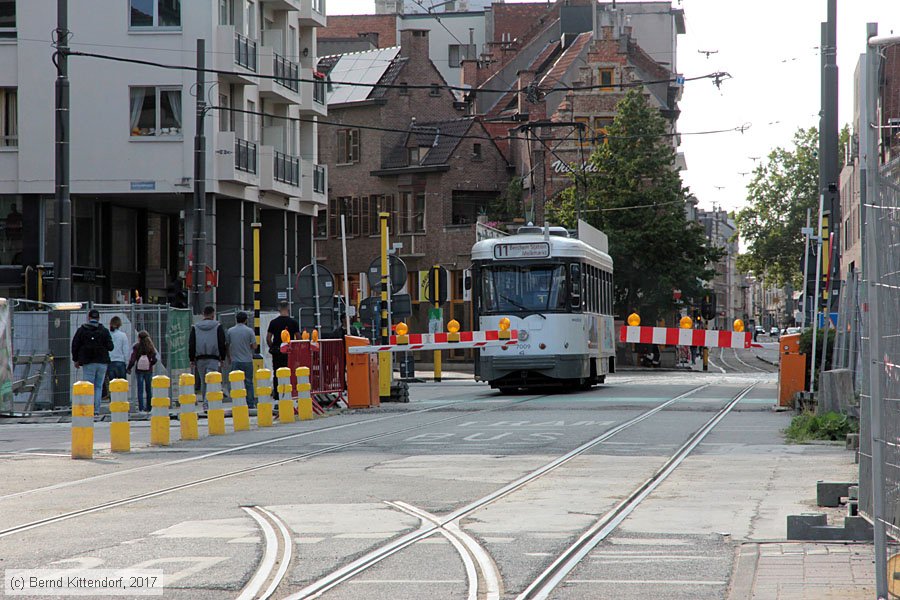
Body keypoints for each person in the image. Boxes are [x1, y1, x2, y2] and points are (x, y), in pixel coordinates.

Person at [71, 308, 114, 416]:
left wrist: (76, 359)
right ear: (98, 318)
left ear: (89, 318)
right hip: (102, 362)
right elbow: (110, 347)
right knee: (98, 386)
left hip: (88, 362)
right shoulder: (104, 330)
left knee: (88, 386)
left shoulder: (82, 330)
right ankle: (96, 410)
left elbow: (75, 345)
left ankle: (88, 408)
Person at [189, 305, 227, 407]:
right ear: (213, 314)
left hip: (200, 358)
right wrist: (222, 357)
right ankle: (209, 402)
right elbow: (221, 342)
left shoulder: (195, 327)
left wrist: (192, 358)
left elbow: (192, 343)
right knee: (212, 380)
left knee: (203, 381)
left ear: (203, 314)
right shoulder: (218, 326)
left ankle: (205, 402)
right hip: (213, 357)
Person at [266, 301, 300, 399]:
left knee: (277, 372)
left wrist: (273, 347)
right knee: (290, 372)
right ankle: (290, 392)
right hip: (290, 351)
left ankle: (277, 394)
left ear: (279, 308)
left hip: (277, 351)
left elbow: (268, 338)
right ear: (288, 308)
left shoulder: (273, 322)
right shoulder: (293, 322)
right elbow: (298, 337)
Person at [227, 311, 258, 408]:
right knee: (249, 382)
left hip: (235, 360)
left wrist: (229, 357)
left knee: (236, 383)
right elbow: (254, 346)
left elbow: (227, 345)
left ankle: (237, 402)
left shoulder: (230, 331)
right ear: (245, 320)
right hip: (247, 360)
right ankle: (250, 404)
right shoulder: (249, 331)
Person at [126, 331, 158, 412]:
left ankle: (141, 407)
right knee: (148, 389)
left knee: (140, 390)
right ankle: (149, 407)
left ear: (139, 338)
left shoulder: (137, 347)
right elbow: (155, 359)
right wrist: (150, 364)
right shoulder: (151, 347)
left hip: (139, 370)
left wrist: (129, 368)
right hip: (148, 370)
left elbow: (133, 359)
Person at [107, 316, 129, 382]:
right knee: (122, 386)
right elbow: (125, 350)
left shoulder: (108, 335)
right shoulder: (123, 335)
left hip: (110, 361)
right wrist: (127, 363)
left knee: (111, 385)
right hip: (120, 362)